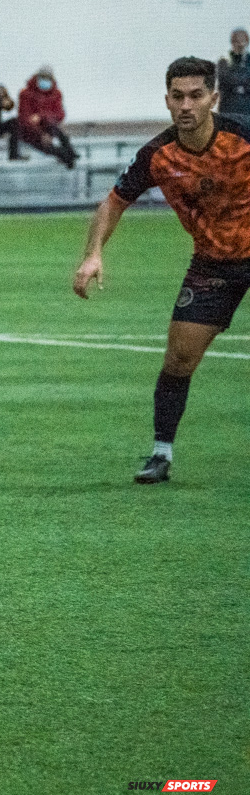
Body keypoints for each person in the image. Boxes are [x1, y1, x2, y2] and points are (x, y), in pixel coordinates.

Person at [72, 56, 250, 484]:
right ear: (167, 101)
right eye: (177, 97)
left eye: (196, 95)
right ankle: (160, 454)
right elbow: (113, 202)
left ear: (214, 98)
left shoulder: (243, 136)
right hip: (212, 265)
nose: (186, 105)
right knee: (179, 359)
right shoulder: (157, 155)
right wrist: (93, 253)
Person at [17, 66, 77, 169]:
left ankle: (69, 153)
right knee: (49, 143)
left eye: (48, 78)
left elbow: (60, 114)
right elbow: (25, 119)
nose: (45, 81)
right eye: (42, 77)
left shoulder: (56, 94)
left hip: (50, 128)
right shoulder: (26, 94)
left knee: (54, 127)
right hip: (31, 133)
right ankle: (68, 155)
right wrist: (41, 134)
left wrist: (41, 116)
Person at [217, 28, 250, 126]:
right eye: (237, 41)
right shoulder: (224, 61)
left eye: (243, 41)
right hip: (228, 107)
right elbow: (224, 81)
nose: (240, 45)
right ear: (232, 43)